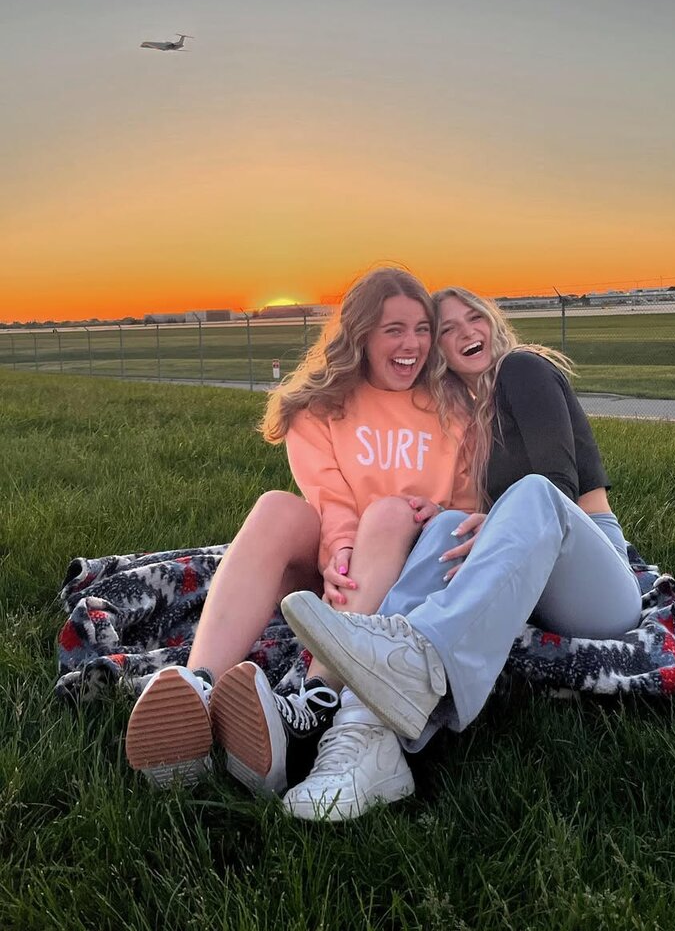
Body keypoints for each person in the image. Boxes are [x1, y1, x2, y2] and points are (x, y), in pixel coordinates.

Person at [277, 286, 644, 819]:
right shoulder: (470, 416)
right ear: (440, 354)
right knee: (447, 525)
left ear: (493, 321)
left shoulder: (523, 368)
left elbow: (558, 486)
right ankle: (365, 740)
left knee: (534, 492)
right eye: (447, 329)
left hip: (596, 583)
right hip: (534, 589)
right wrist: (436, 515)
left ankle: (415, 655)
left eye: (474, 317)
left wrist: (501, 519)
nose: (466, 332)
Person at [124, 268, 474, 790]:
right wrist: (341, 551)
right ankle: (200, 690)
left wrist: (439, 511)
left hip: (418, 572)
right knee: (276, 507)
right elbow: (330, 501)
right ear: (361, 335)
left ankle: (314, 699)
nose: (413, 344)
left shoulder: (452, 404)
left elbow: (472, 499)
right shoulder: (320, 407)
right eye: (394, 330)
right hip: (343, 572)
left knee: (391, 512)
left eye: (423, 329)